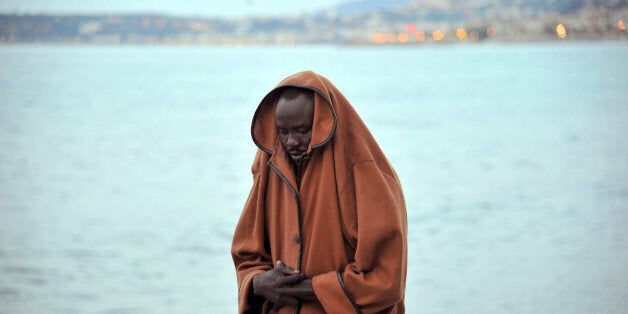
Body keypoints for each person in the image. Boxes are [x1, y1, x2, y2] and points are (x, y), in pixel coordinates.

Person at [231, 71, 407, 313]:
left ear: (322, 123)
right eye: (283, 131)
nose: (291, 141)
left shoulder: (368, 176)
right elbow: (247, 254)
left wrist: (306, 288)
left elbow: (386, 280)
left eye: (302, 130)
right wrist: (258, 282)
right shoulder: (269, 165)